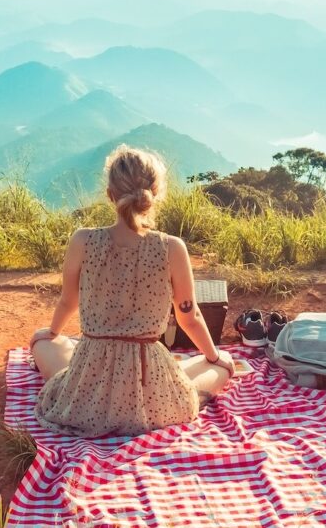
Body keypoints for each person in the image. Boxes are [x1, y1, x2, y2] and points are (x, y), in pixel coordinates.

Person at [29, 145, 235, 437]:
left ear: (110, 194)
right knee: (218, 365)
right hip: (151, 387)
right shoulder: (171, 247)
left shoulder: (82, 240)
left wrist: (51, 331)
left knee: (43, 344)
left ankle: (67, 358)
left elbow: (68, 301)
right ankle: (209, 367)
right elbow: (190, 317)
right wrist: (215, 356)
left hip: (90, 382)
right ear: (154, 193)